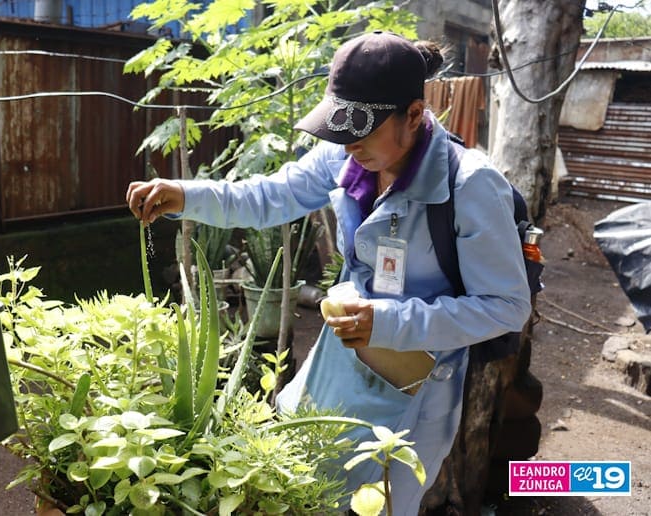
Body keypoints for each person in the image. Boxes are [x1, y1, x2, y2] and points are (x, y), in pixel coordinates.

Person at [126, 31, 531, 514]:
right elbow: (271, 196)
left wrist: (387, 322)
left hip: (416, 388)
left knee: (379, 504)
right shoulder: (346, 154)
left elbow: (506, 306)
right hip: (340, 364)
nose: (349, 143)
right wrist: (186, 194)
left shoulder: (470, 184)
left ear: (413, 115)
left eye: (363, 130)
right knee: (302, 491)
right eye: (340, 128)